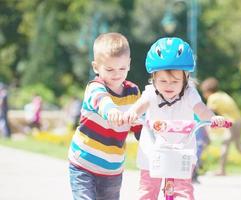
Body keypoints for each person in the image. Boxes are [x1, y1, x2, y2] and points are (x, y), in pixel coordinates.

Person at [123, 37, 226, 200]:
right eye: (163, 80)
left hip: (182, 151)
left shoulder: (190, 94)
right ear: (154, 78)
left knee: (183, 192)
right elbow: (140, 105)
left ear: (186, 78)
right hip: (153, 151)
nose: (168, 85)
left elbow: (201, 110)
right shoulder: (151, 93)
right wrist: (131, 114)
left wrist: (213, 118)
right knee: (147, 191)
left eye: (175, 81)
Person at [68, 32, 142, 200]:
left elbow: (140, 125)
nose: (116, 74)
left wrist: (151, 137)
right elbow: (102, 101)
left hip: (112, 168)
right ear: (96, 67)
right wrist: (112, 111)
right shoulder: (95, 87)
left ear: (129, 64)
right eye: (109, 69)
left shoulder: (133, 92)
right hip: (83, 164)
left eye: (122, 68)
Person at [200, 77, 241, 176]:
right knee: (238, 146)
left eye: (203, 92)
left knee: (227, 144)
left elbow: (206, 113)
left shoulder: (213, 98)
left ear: (207, 91)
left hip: (232, 123)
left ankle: (222, 170)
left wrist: (205, 129)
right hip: (238, 121)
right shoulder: (222, 94)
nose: (204, 95)